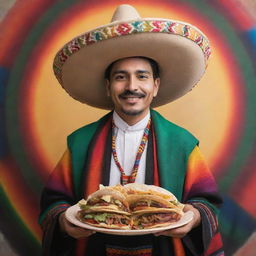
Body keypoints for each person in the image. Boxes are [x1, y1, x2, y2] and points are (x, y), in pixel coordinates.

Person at [39, 4, 224, 256]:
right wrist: (64, 223)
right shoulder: (79, 143)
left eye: (142, 76)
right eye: (120, 77)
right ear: (108, 86)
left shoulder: (183, 143)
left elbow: (206, 203)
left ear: (156, 85)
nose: (131, 86)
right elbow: (54, 202)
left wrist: (192, 218)